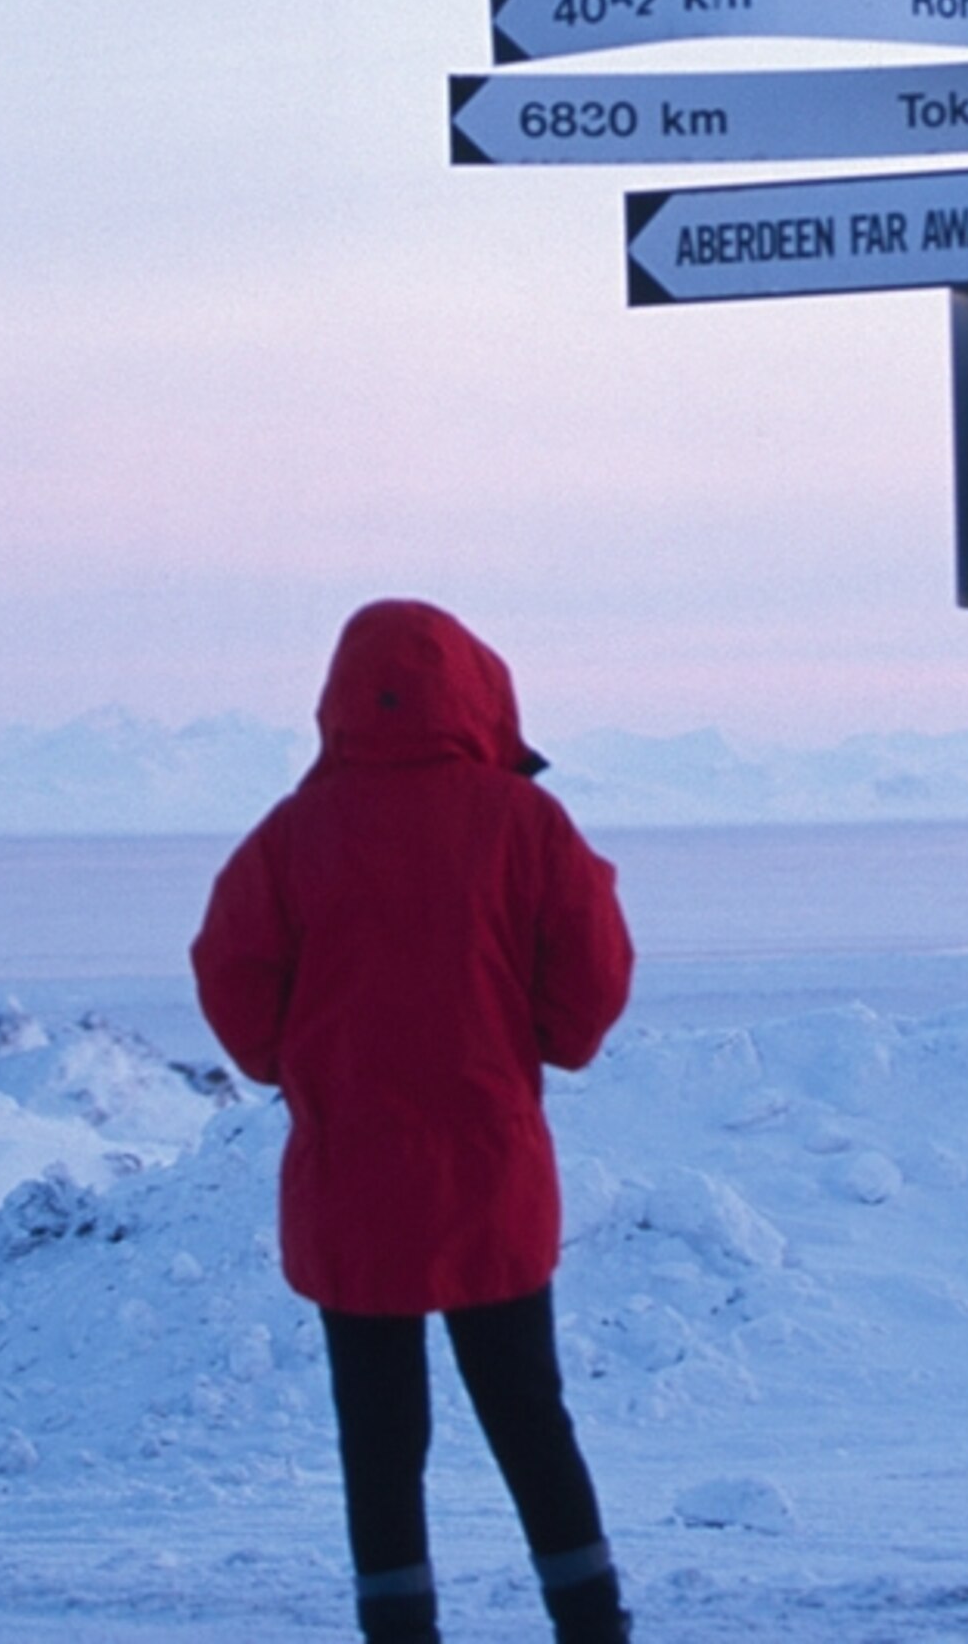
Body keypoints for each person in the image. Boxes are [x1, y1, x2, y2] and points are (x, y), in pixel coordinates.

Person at [192, 598, 635, 1644]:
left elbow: (229, 969)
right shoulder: (522, 822)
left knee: (379, 1441)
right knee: (531, 1419)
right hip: (489, 1174)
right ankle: (592, 1627)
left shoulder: (294, 833)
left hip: (353, 1186)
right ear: (475, 691)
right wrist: (536, 1039)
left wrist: (295, 1067)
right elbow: (590, 978)